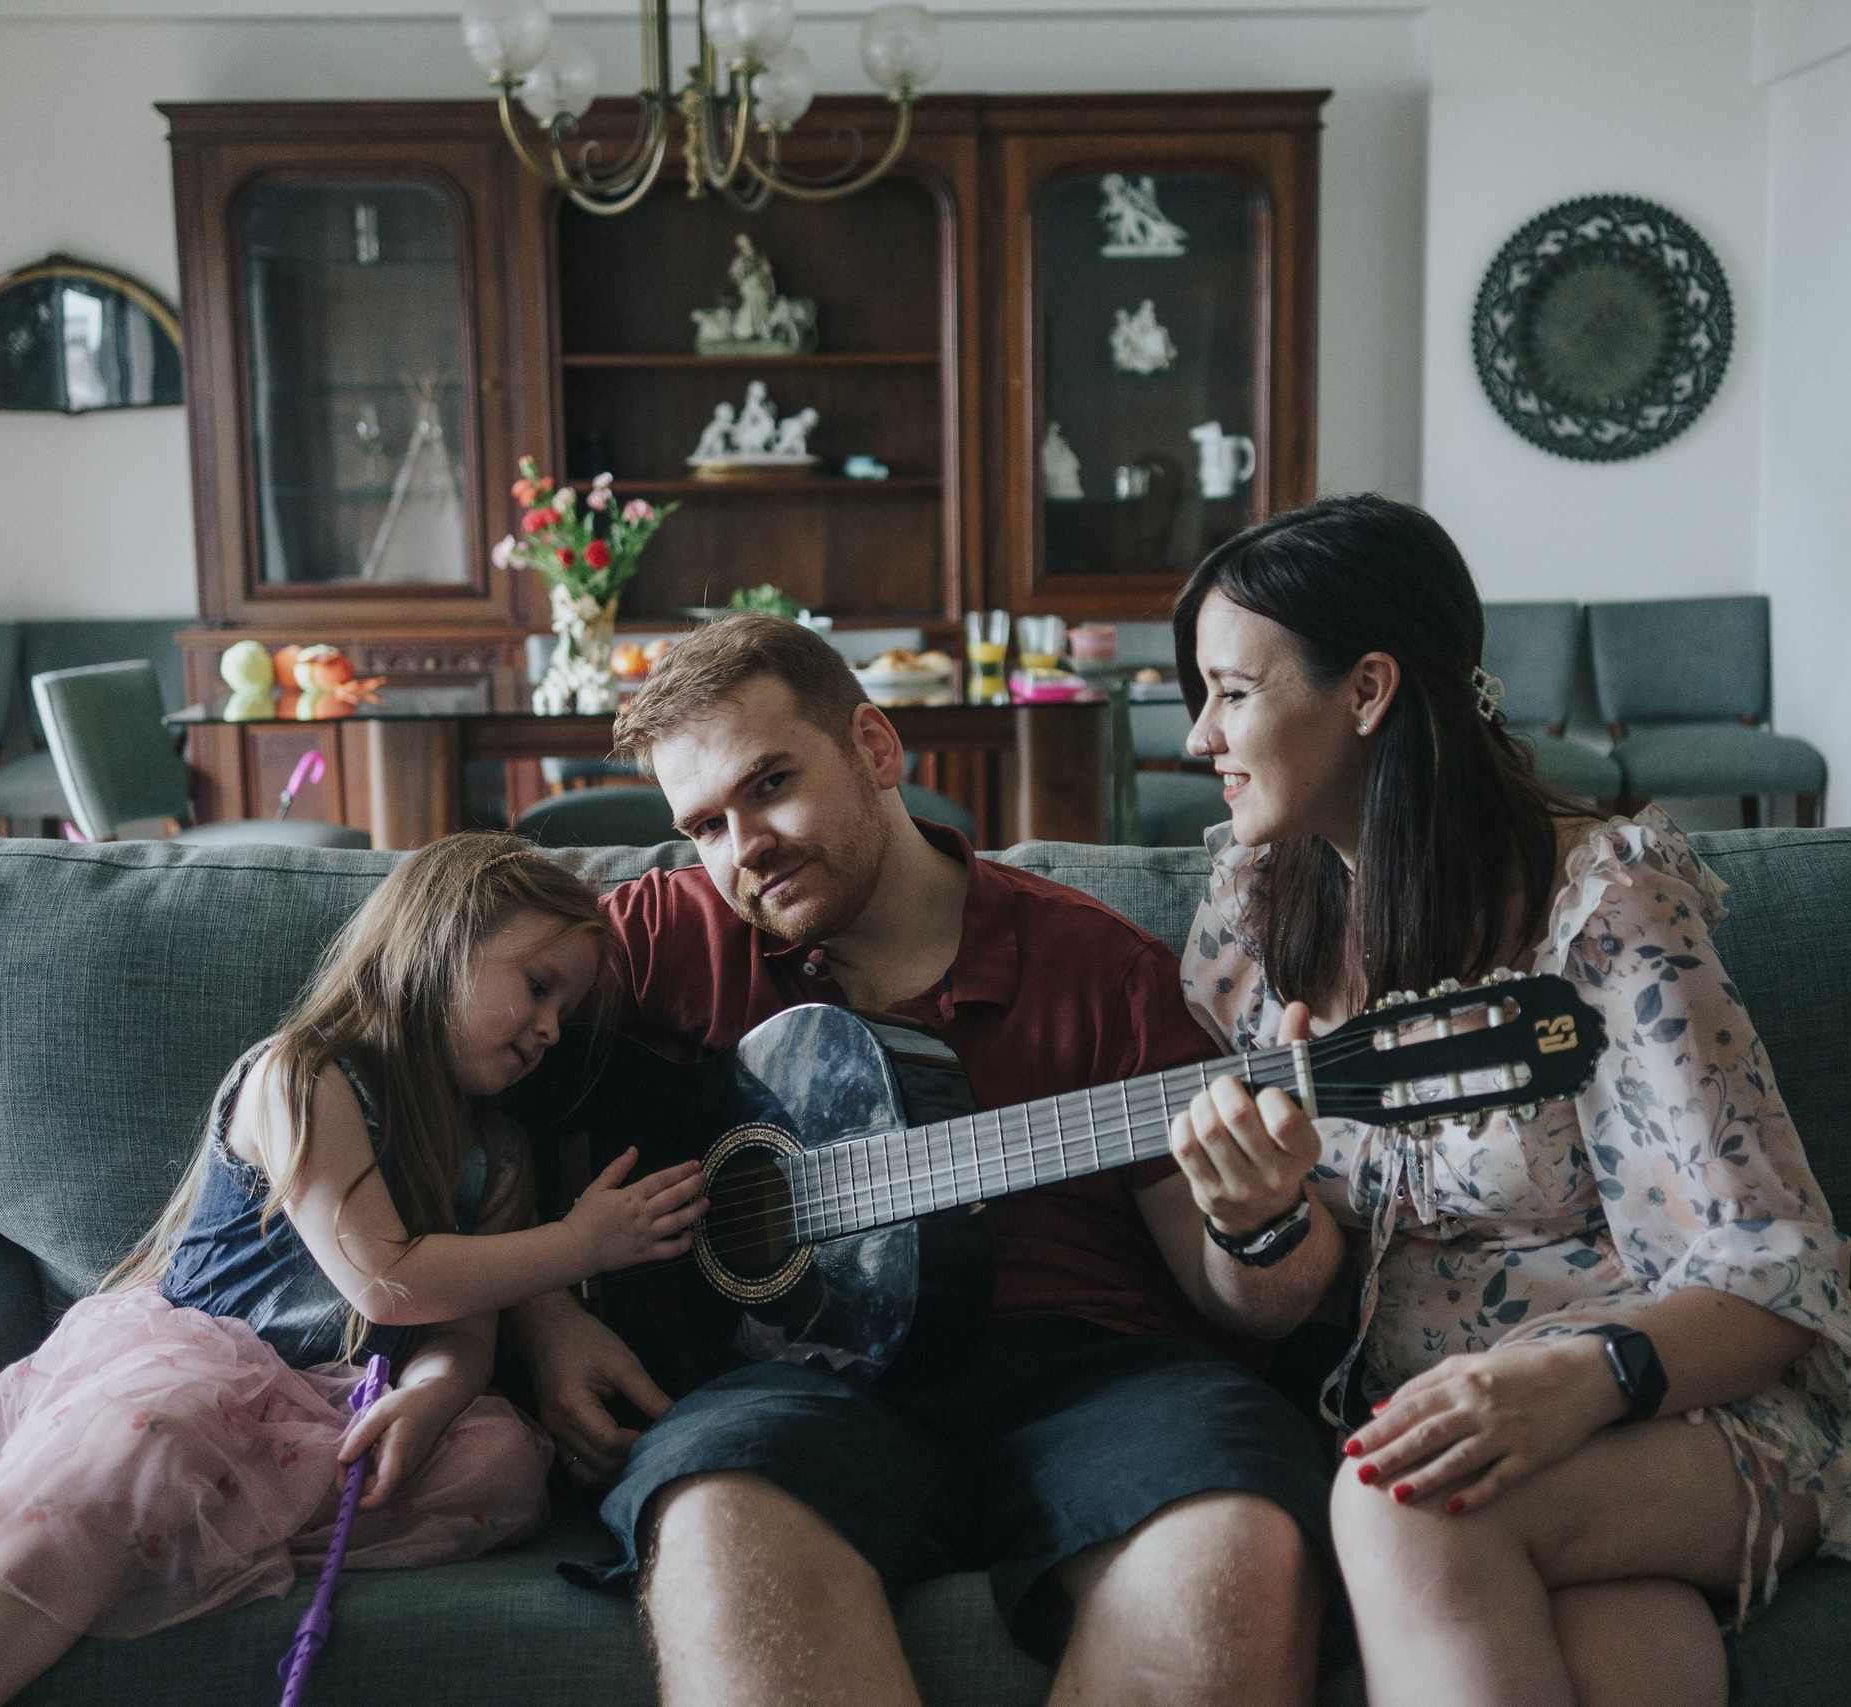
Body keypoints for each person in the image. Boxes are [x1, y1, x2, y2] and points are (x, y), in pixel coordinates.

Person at [507, 613, 1346, 1707]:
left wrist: (1259, 1219)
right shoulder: (667, 938)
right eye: (705, 824)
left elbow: (1247, 1302)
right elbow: (423, 1045)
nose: (743, 846)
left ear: (874, 748)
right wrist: (539, 1312)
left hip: (1096, 1377)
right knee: (714, 1517)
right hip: (786, 1389)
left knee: (1233, 1541)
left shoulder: (1096, 963)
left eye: (770, 785)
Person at [1164, 494, 1851, 1707]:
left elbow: (1774, 1273)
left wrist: (1575, 1378)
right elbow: (1261, 1296)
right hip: (1471, 1434)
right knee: (1619, 1654)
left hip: (1670, 1394)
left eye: (1231, 692)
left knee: (1403, 1499)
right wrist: (1260, 1219)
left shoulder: (1601, 909)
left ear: (1366, 691)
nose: (1199, 735)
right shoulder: (1251, 916)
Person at [0, 834, 708, 1707]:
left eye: (565, 1011)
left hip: (328, 1406)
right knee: (151, 1436)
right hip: (200, 1361)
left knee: (503, 1467)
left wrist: (436, 1393)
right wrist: (582, 1244)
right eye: (537, 987)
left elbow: (460, 1326)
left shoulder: (495, 1148)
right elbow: (388, 1279)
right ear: (438, 940)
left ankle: (173, 1531)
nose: (548, 1028)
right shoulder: (305, 1075)